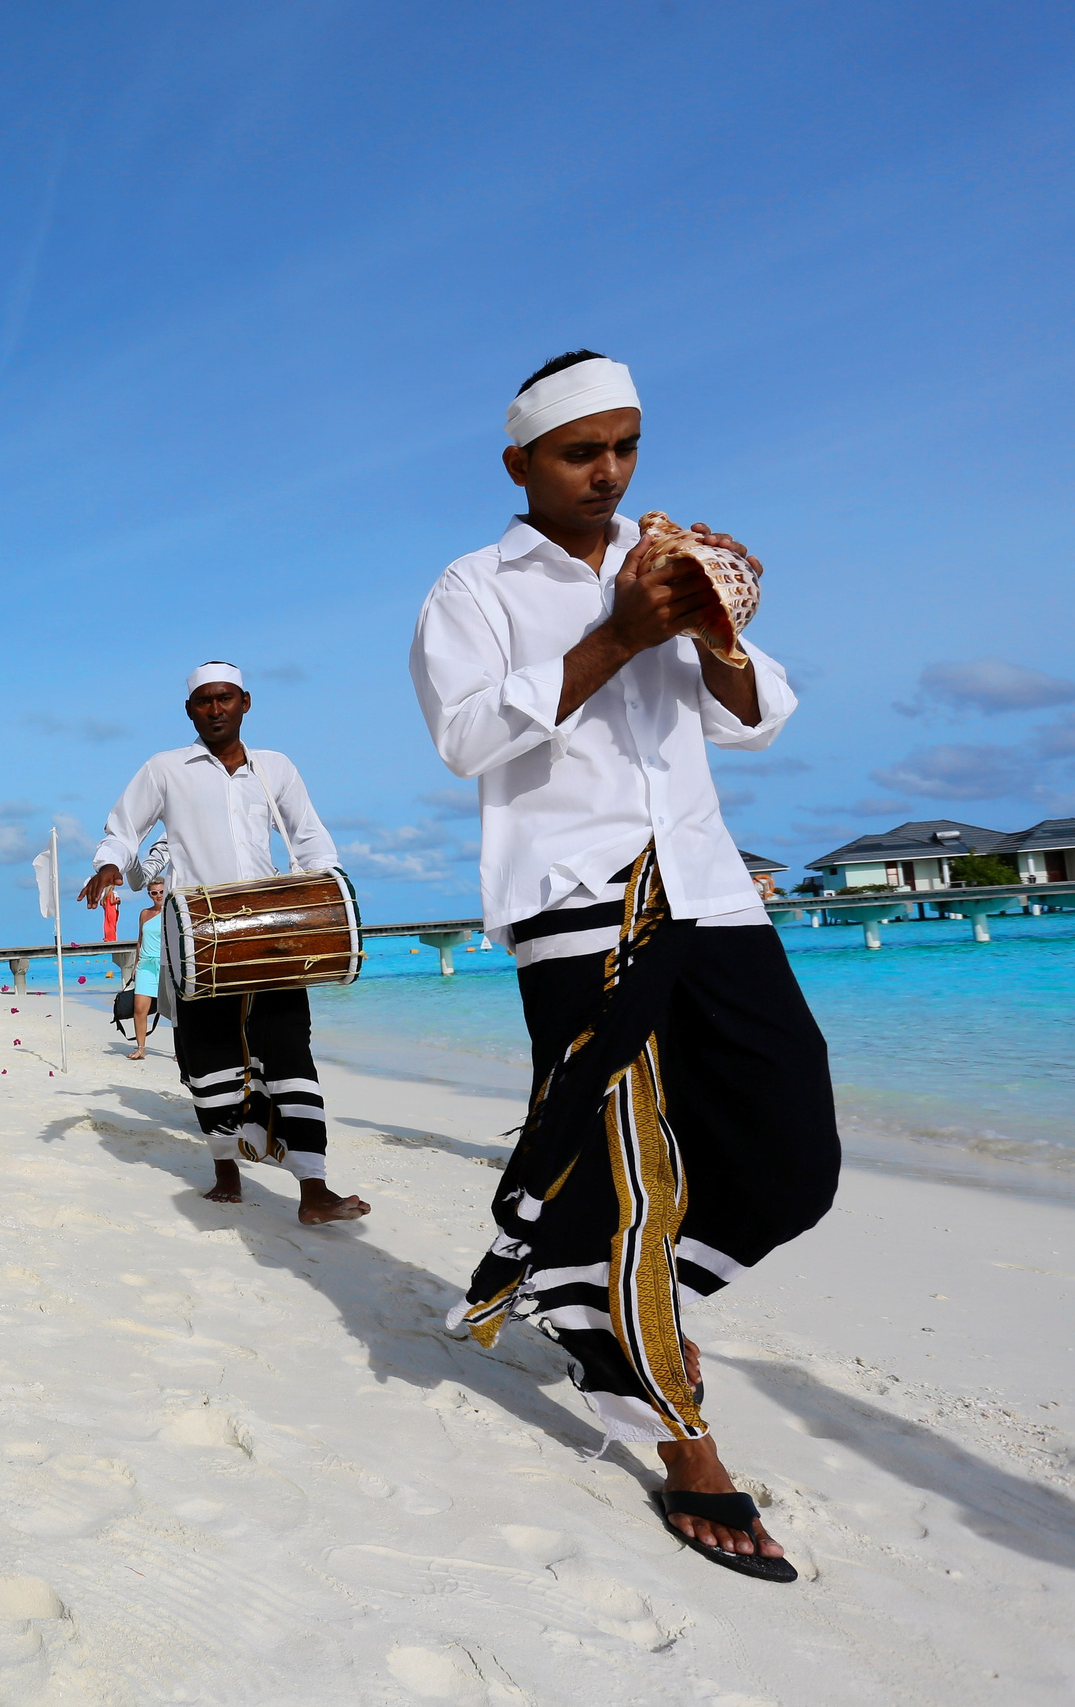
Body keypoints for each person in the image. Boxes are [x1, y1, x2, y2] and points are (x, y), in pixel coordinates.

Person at [408, 351, 835, 1582]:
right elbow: (466, 737)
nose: (609, 473)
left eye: (626, 447)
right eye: (580, 453)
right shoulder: (470, 586)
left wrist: (713, 627)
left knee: (792, 1156)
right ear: (519, 465)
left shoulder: (663, 558)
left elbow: (755, 719)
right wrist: (615, 634)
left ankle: (592, 1291)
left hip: (707, 886)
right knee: (629, 1172)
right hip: (572, 900)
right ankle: (679, 1439)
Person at [80, 663, 369, 1225]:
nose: (216, 709)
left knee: (290, 1052)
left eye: (226, 699)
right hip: (197, 938)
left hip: (275, 936)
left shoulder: (276, 768)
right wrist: (112, 865)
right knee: (208, 1056)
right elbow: (121, 828)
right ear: (190, 710)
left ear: (246, 702)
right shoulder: (165, 769)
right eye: (204, 702)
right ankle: (226, 1170)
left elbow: (308, 836)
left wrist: (327, 897)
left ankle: (314, 1188)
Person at [123, 876, 167, 1060]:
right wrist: (135, 965)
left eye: (161, 892)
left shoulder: (173, 912)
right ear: (149, 894)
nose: (158, 896)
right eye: (154, 892)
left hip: (166, 965)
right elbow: (140, 940)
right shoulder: (144, 913)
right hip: (146, 965)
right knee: (139, 1008)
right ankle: (141, 1048)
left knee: (173, 1011)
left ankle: (181, 1051)